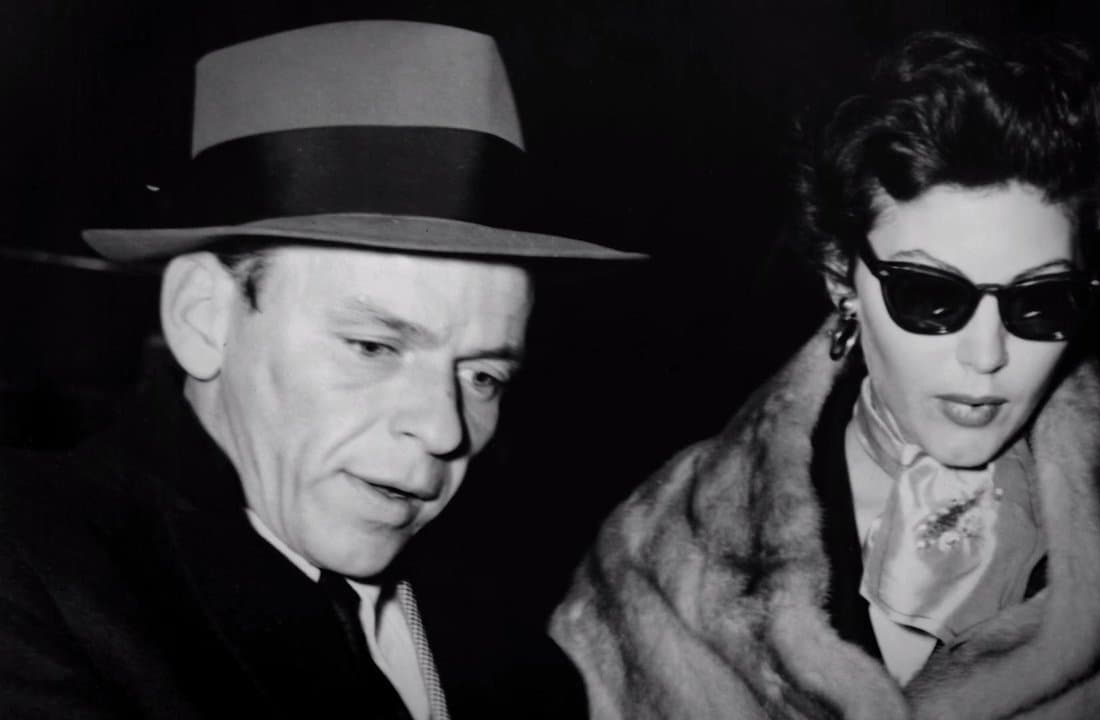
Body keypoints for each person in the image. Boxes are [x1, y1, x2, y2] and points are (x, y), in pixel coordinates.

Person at [551, 31, 1100, 719]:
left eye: (1040, 301)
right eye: (930, 296)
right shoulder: (658, 558)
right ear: (842, 278)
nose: (986, 355)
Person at [0, 19, 640, 719]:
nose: (442, 429)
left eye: (482, 376)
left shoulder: (526, 670)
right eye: (373, 347)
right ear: (202, 316)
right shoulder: (36, 572)